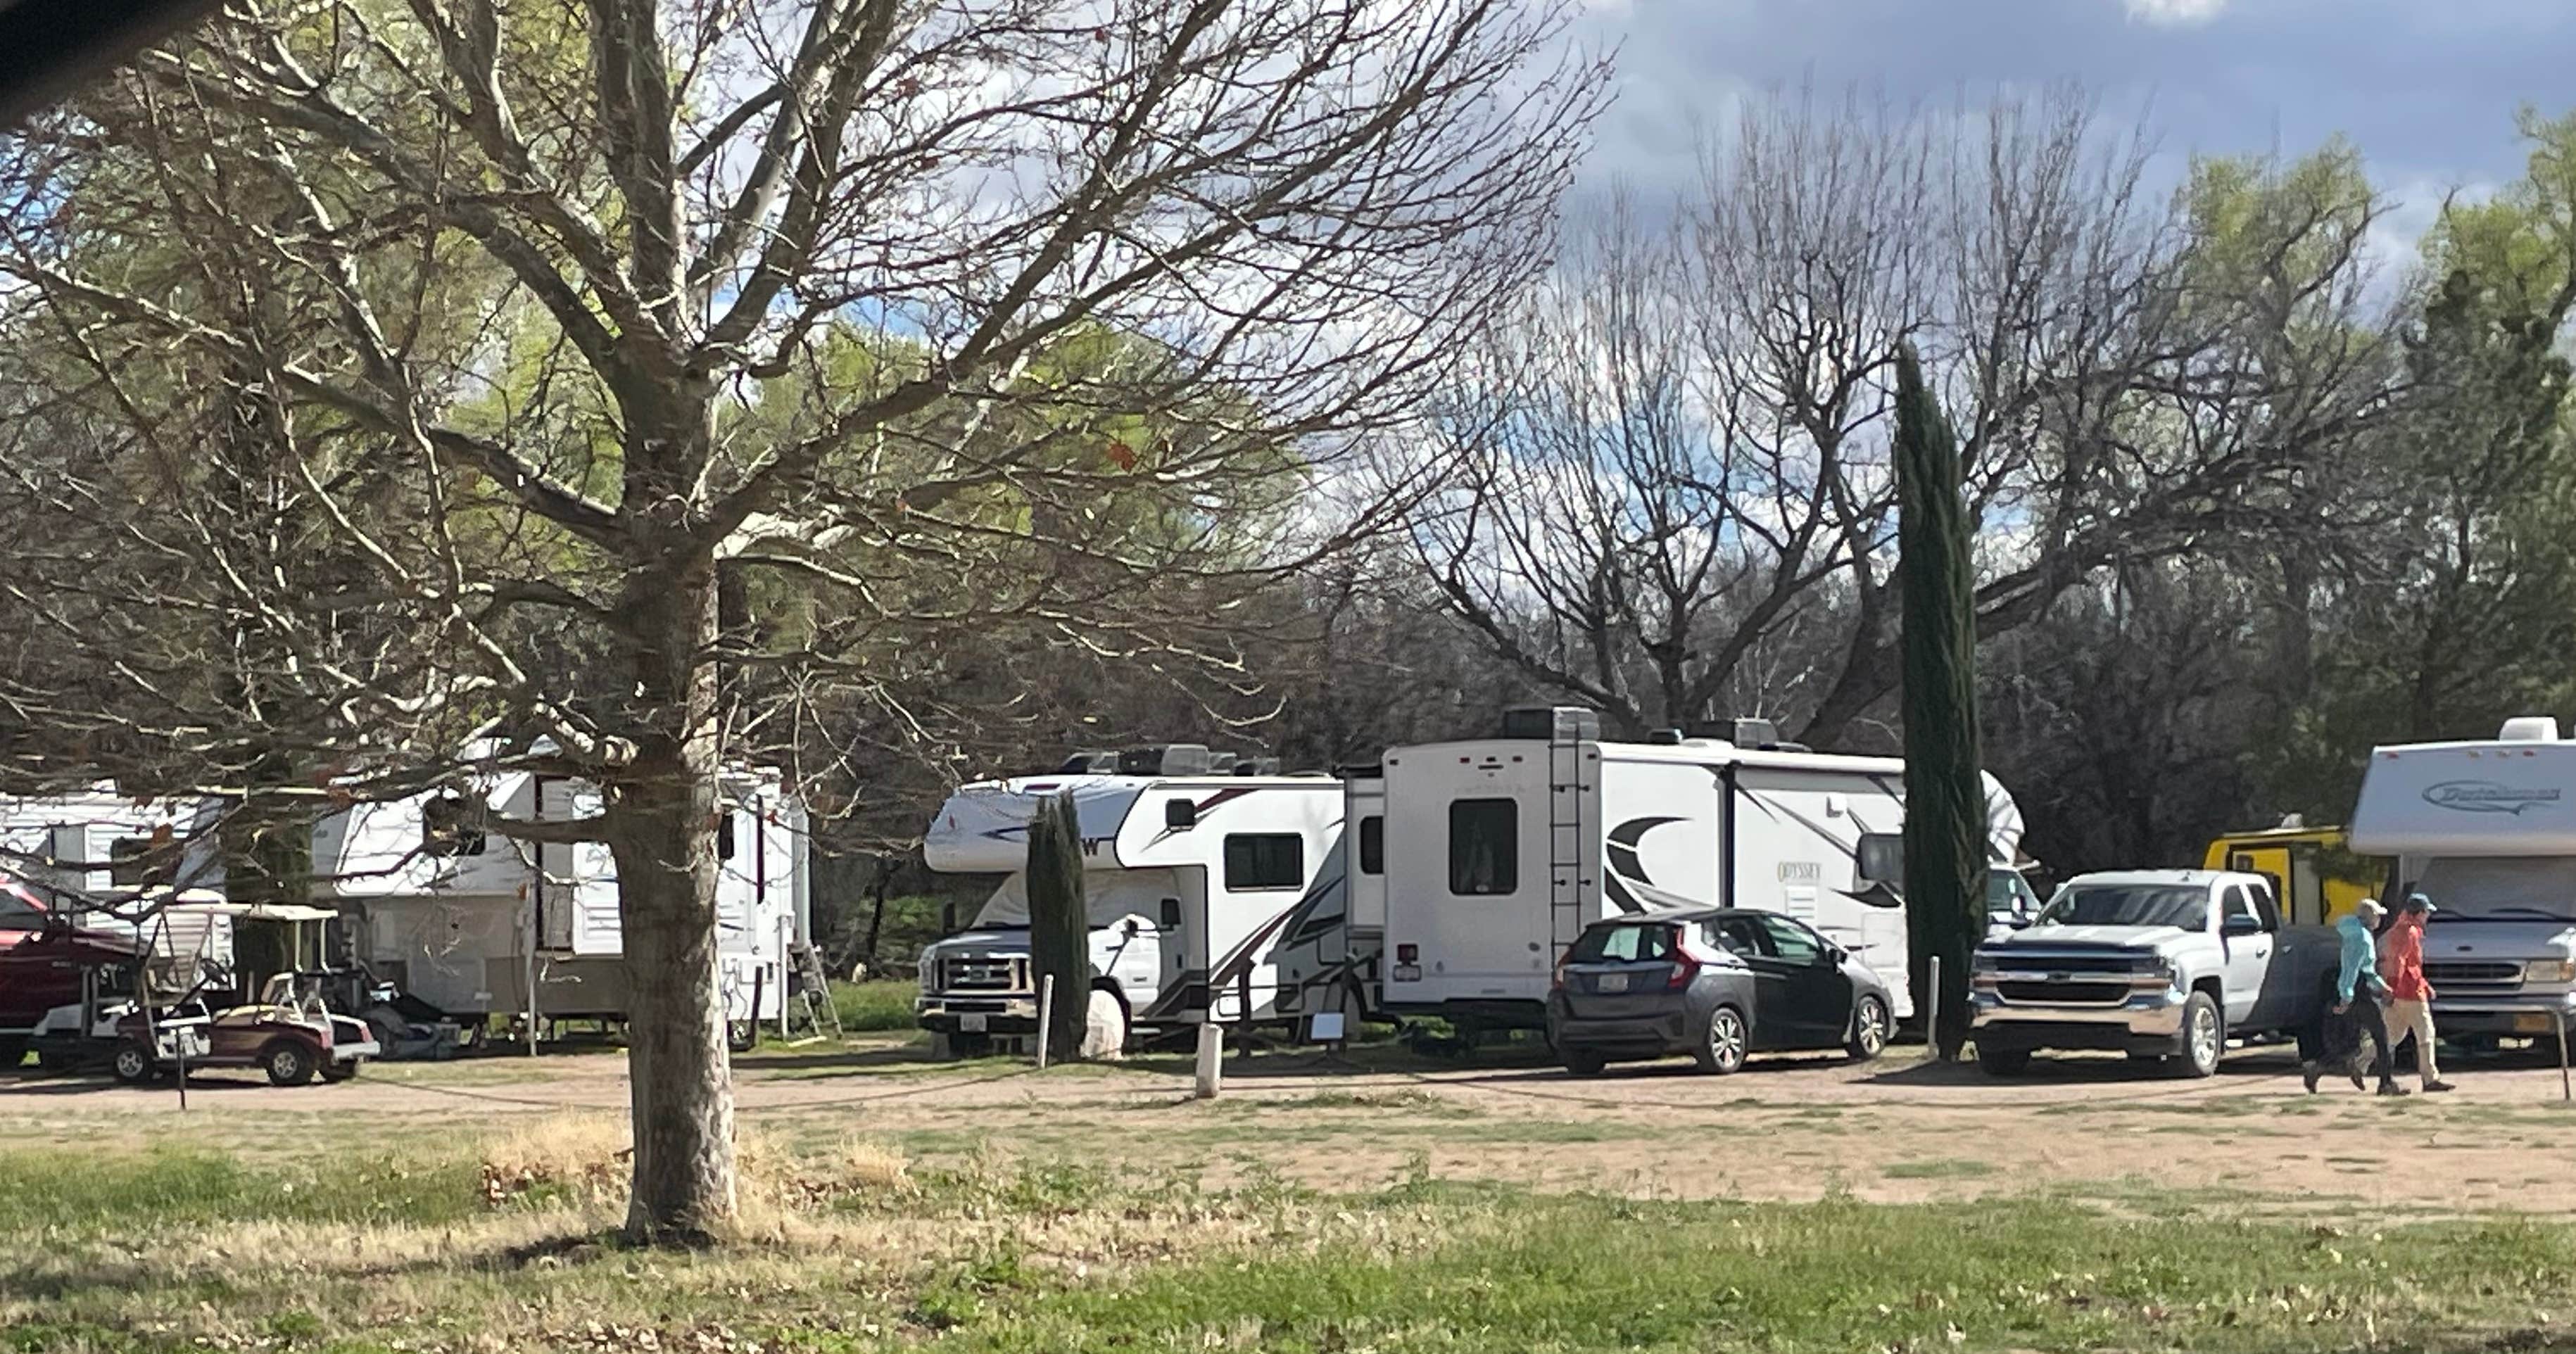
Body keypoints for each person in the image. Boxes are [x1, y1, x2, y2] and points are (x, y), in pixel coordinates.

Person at [2304, 898, 2404, 1096]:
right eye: (2378, 916)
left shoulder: (2356, 933)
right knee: (2381, 1039)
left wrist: (2383, 988)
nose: (2380, 920)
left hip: (2357, 990)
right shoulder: (2362, 938)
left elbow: (2361, 970)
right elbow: (2354, 969)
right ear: (2370, 917)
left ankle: (2318, 1068)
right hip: (2360, 992)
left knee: (2352, 1043)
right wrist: (2347, 995)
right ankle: (2386, 1084)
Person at [2380, 893, 2456, 1094]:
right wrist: (2396, 985)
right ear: (2420, 913)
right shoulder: (2411, 932)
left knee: (2390, 1035)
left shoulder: (2398, 929)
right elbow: (2401, 961)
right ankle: (2430, 1079)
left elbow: (2405, 962)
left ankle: (2358, 1064)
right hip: (2411, 993)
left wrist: (2392, 987)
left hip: (2402, 992)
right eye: (2427, 912)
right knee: (2426, 1035)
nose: (2428, 916)